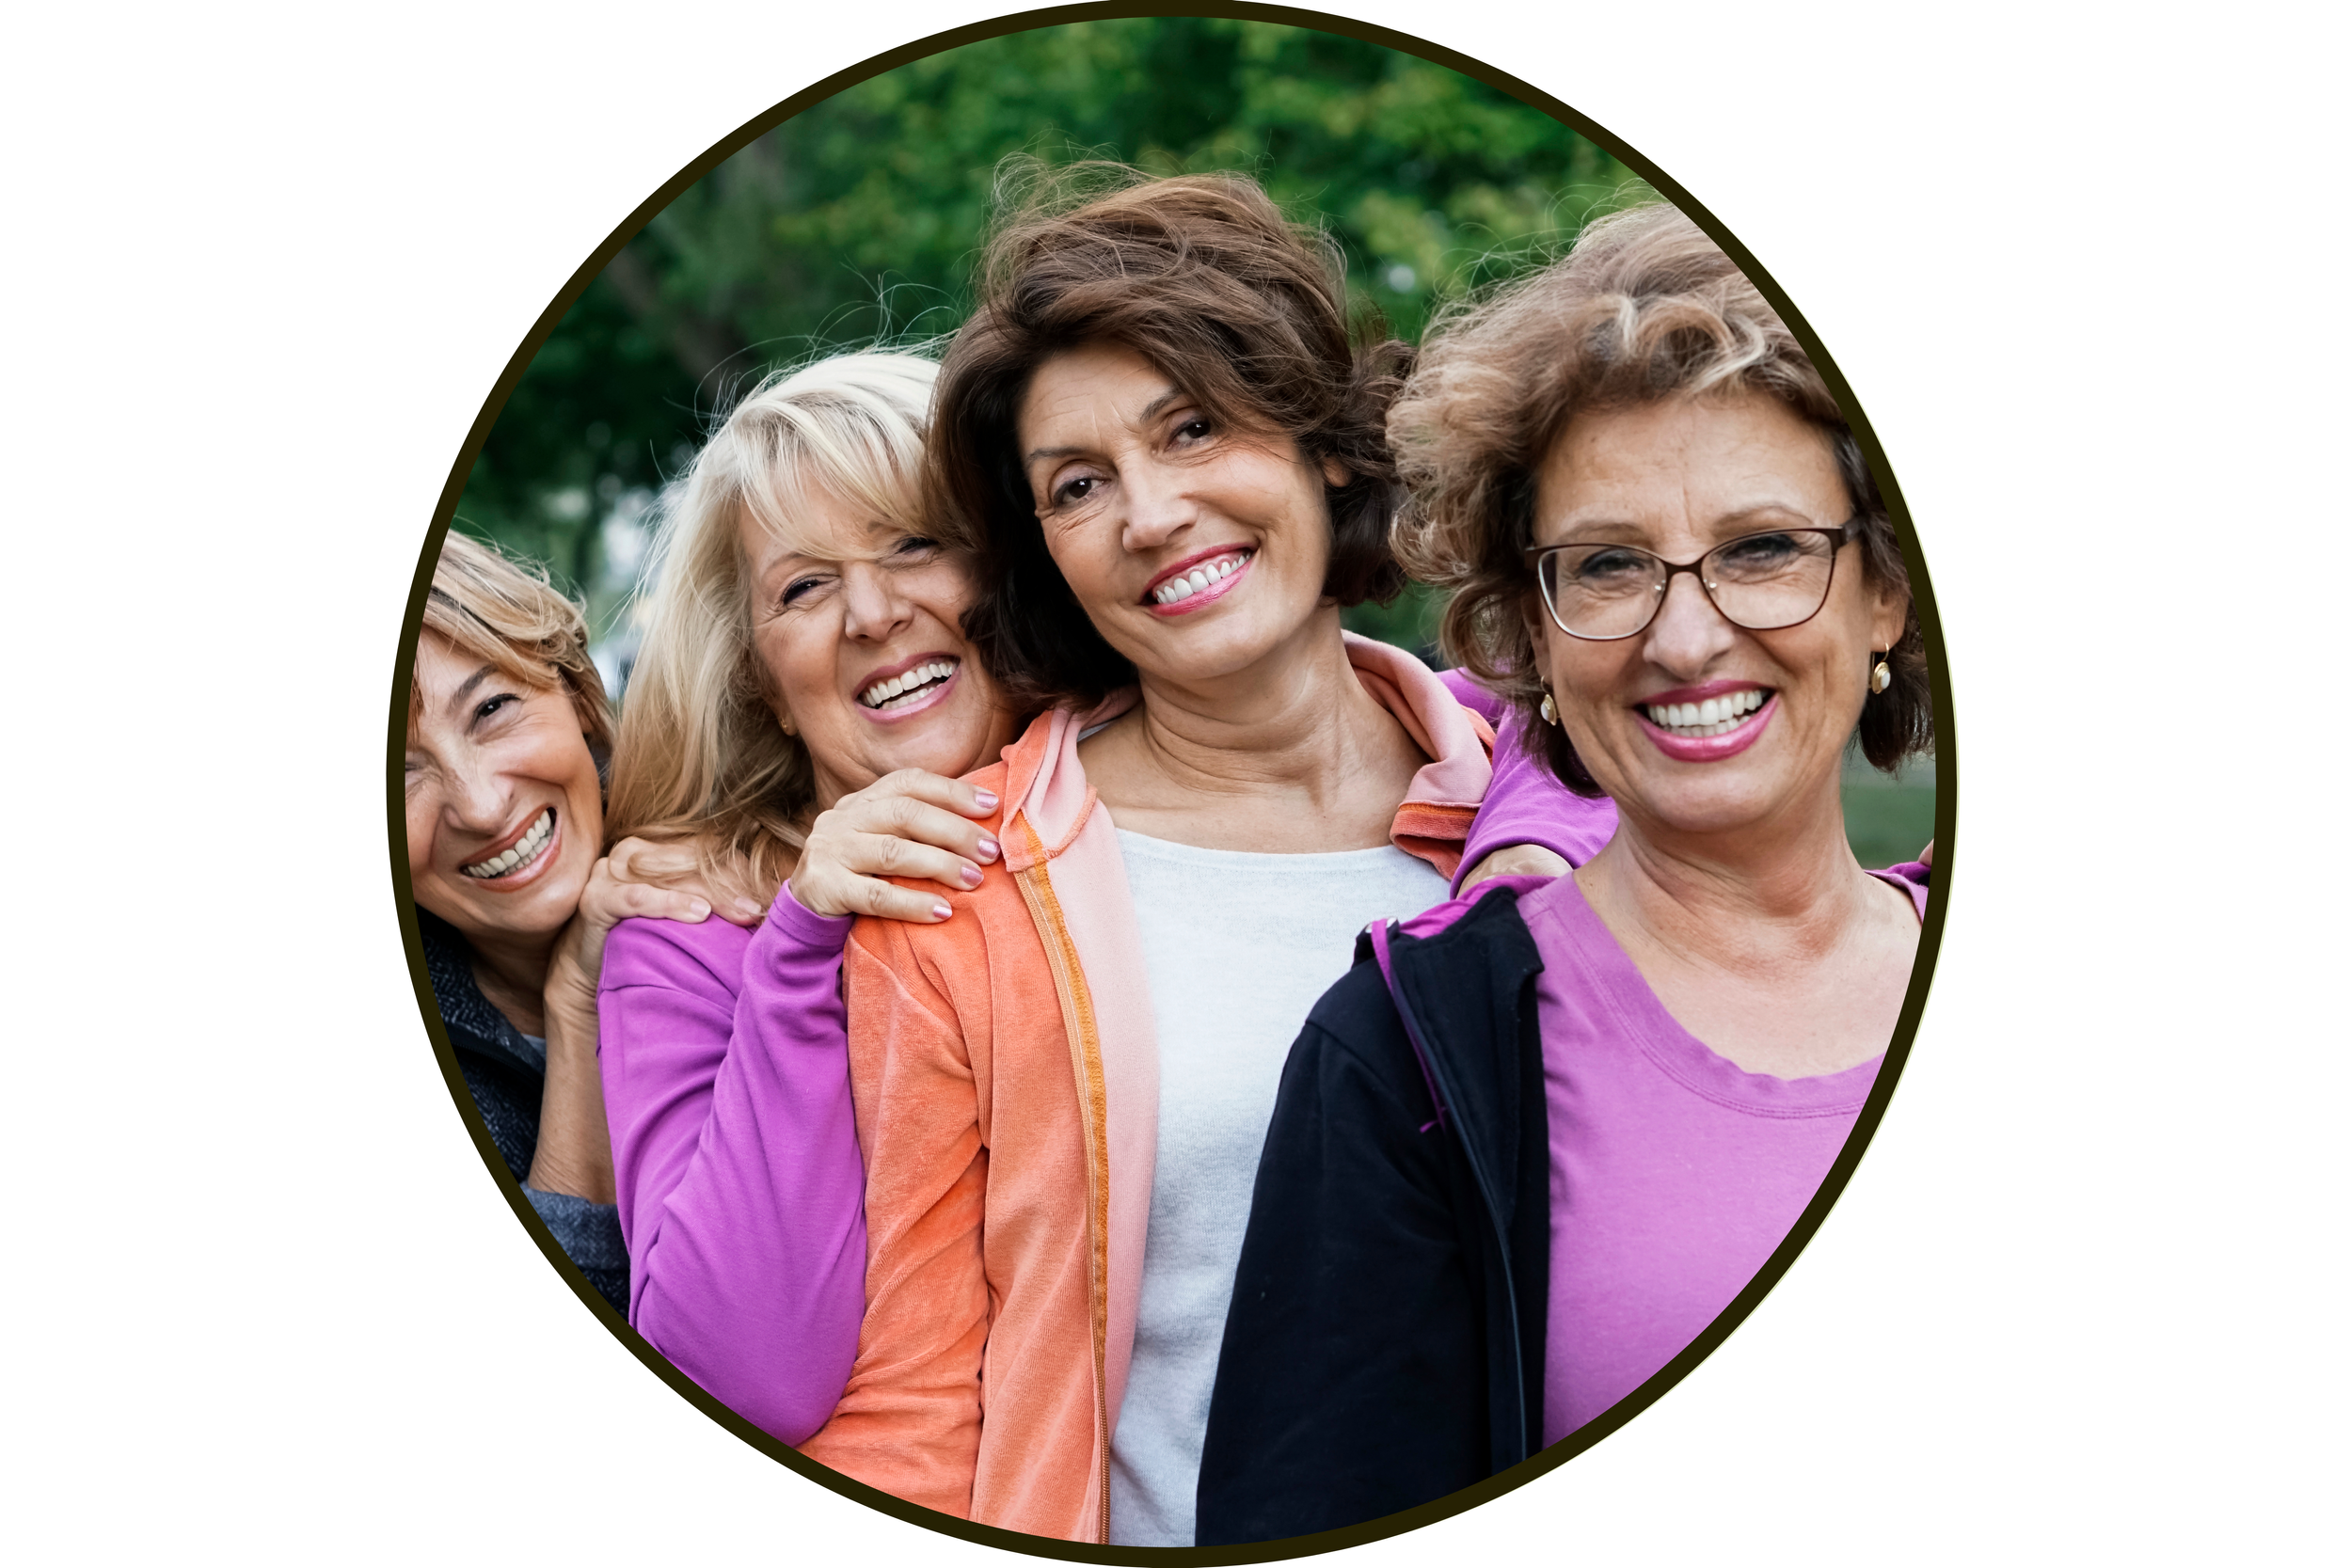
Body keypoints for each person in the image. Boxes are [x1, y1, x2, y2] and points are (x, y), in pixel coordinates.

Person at [792, 169, 1617, 1544]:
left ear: (1324, 443)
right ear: (1044, 554)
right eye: (1077, 483)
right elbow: (917, 1399)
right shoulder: (960, 894)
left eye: (1192, 427)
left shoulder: (1545, 797)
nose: (1151, 511)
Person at [1194, 202, 1935, 1544]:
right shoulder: (1407, 1057)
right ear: (1529, 630)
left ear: (1884, 591)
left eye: (1762, 547)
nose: (1685, 632)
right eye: (1605, 565)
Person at [593, 352, 1020, 1445]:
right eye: (804, 586)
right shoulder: (688, 934)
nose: (874, 612)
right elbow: (744, 1380)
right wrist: (797, 951)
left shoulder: (1154, 796)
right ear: (761, 687)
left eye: (914, 541)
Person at [403, 533, 712, 1314]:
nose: (479, 803)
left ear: (577, 695)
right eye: (399, 774)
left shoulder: (732, 852)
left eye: (491, 709)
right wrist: (575, 1007)